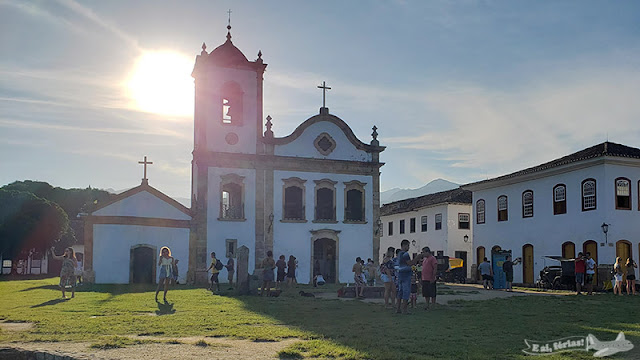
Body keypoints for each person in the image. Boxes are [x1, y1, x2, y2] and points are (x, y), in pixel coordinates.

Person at [395, 240, 415, 314]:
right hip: (406, 275)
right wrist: (417, 258)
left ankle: (398, 308)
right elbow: (410, 263)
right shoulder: (405, 254)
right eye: (408, 245)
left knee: (400, 292)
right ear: (404, 245)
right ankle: (404, 309)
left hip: (400, 274)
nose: (409, 247)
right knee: (406, 292)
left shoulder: (399, 253)